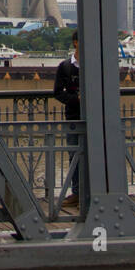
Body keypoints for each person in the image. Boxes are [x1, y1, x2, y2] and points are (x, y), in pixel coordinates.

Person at [53, 32, 81, 207]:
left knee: (94, 155)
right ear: (76, 43)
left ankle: (94, 191)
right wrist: (75, 99)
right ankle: (77, 192)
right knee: (74, 155)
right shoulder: (64, 67)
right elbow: (57, 92)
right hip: (73, 117)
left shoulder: (96, 64)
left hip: (94, 118)